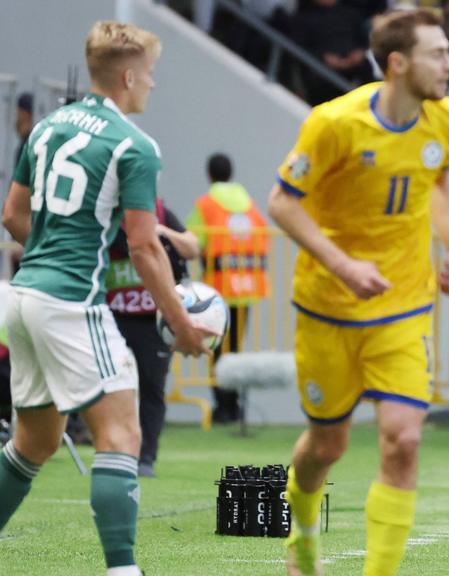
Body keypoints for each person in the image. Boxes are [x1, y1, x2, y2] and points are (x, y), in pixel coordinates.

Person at [0, 20, 208, 576]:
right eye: (152, 75)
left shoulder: (45, 129)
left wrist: (48, 251)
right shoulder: (134, 144)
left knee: (34, 442)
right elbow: (144, 247)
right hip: (70, 301)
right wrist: (183, 325)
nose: (153, 86)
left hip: (21, 299)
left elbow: (11, 216)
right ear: (130, 75)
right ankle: (123, 571)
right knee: (122, 433)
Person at [266, 9, 449, 576]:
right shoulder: (334, 123)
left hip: (404, 306)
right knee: (326, 448)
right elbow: (282, 201)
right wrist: (341, 264)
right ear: (399, 63)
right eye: (438, 53)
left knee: (403, 440)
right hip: (329, 306)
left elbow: (440, 176)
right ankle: (302, 534)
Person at [106, 197, 198, 476]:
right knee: (110, 388)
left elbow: (193, 246)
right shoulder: (104, 212)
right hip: (113, 317)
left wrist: (161, 231)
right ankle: (115, 454)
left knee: (152, 388)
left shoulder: (157, 210)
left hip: (153, 321)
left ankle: (146, 458)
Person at [187, 153, 269, 424]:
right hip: (247, 288)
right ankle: (236, 407)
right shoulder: (249, 207)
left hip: (219, 289)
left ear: (210, 175)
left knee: (217, 349)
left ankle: (223, 407)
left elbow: (193, 243)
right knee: (236, 348)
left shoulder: (206, 205)